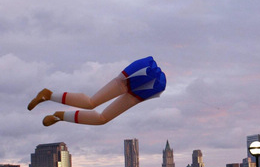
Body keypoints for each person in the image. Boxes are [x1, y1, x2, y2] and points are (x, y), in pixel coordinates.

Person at [28, 56, 166, 126]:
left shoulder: (158, 81)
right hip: (141, 78)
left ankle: (59, 115)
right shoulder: (148, 67)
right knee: (92, 103)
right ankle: (49, 96)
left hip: (148, 88)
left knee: (101, 118)